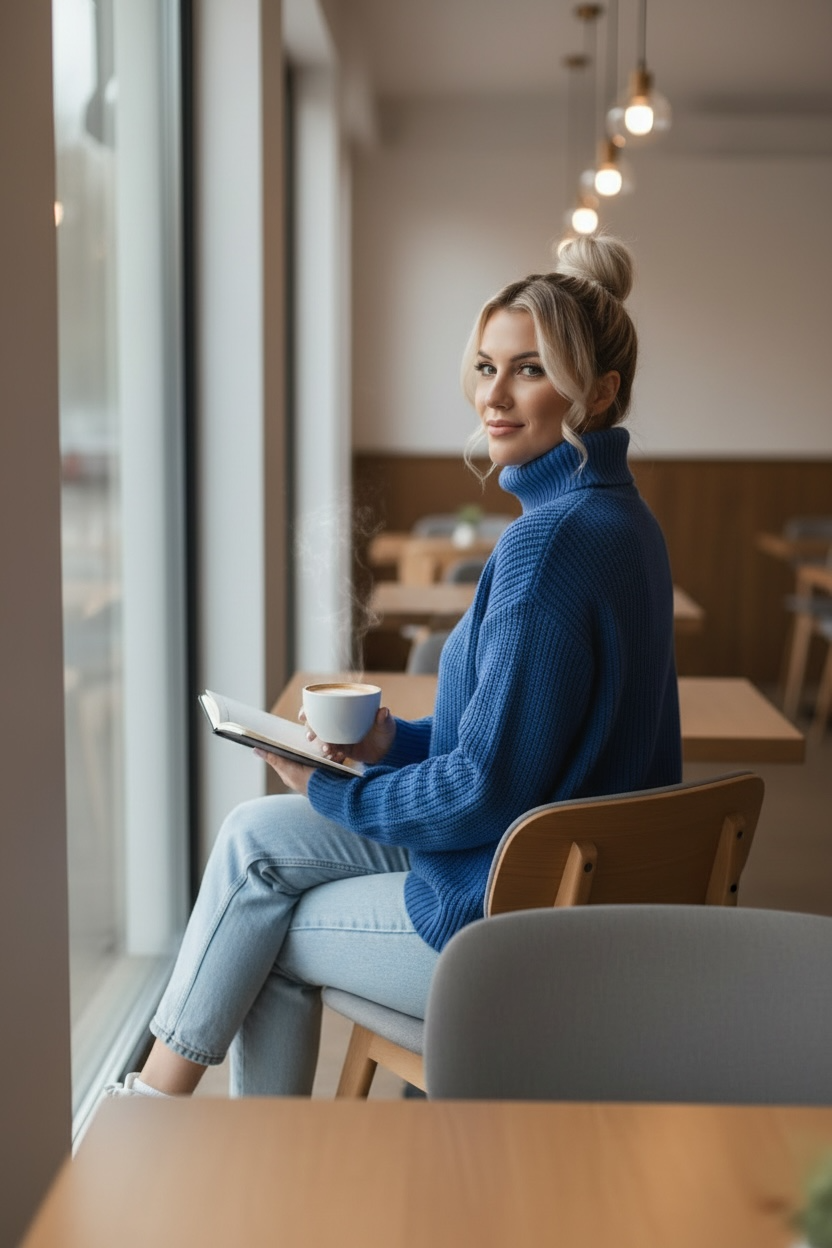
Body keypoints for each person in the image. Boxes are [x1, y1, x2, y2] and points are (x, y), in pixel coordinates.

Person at [107, 231, 681, 1099]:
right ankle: (154, 1103)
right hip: (559, 876)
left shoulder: (550, 545)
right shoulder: (622, 521)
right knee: (250, 839)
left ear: (598, 391)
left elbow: (487, 788)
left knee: (264, 935)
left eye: (529, 369)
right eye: (487, 368)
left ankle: (195, 1146)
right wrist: (386, 746)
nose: (495, 395)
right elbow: (520, 745)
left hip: (514, 915)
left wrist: (332, 788)